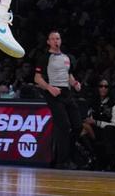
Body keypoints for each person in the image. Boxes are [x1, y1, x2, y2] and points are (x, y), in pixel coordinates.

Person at [34, 31, 82, 169]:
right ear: (48, 42)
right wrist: (49, 88)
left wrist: (75, 83)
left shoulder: (66, 57)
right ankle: (62, 161)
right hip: (54, 94)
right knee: (64, 126)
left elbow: (69, 75)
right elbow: (37, 78)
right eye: (53, 39)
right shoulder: (45, 57)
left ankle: (69, 153)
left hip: (67, 93)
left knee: (78, 126)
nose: (56, 41)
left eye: (58, 38)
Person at [82, 79, 115, 170]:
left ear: (109, 89)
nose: (103, 88)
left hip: (110, 131)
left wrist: (96, 122)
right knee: (82, 127)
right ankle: (92, 157)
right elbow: (90, 116)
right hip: (95, 131)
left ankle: (94, 158)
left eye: (106, 87)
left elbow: (114, 124)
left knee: (86, 128)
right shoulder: (93, 102)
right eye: (101, 86)